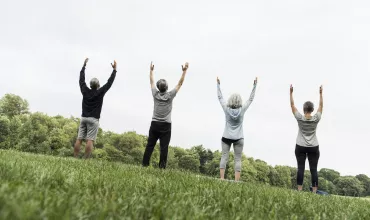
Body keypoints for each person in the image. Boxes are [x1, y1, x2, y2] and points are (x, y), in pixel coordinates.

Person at [142, 61, 189, 169]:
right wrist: (184, 71)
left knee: (150, 145)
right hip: (166, 126)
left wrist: (151, 70)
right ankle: (162, 168)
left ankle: (144, 165)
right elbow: (180, 83)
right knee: (164, 148)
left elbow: (151, 81)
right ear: (167, 87)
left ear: (159, 88)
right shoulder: (170, 95)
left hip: (154, 123)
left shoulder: (155, 93)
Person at [74, 58, 117, 158]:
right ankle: (86, 160)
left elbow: (81, 80)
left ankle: (75, 157)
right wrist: (114, 70)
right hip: (94, 120)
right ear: (98, 85)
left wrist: (83, 67)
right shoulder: (100, 92)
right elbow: (109, 83)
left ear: (90, 85)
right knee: (90, 140)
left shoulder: (84, 90)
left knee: (79, 138)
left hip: (83, 118)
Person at [217, 77, 257, 181]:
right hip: (239, 138)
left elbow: (220, 98)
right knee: (238, 159)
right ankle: (236, 181)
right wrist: (254, 86)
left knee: (224, 157)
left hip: (226, 137)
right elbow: (250, 99)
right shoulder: (242, 109)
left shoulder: (226, 108)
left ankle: (221, 178)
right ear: (240, 101)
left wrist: (218, 85)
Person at [290, 84, 323, 193]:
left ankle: (299, 190)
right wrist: (321, 94)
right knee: (313, 170)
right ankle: (314, 192)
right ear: (312, 110)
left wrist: (291, 93)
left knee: (301, 168)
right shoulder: (316, 118)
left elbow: (292, 105)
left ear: (304, 109)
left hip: (300, 146)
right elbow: (321, 106)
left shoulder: (299, 118)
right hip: (313, 146)